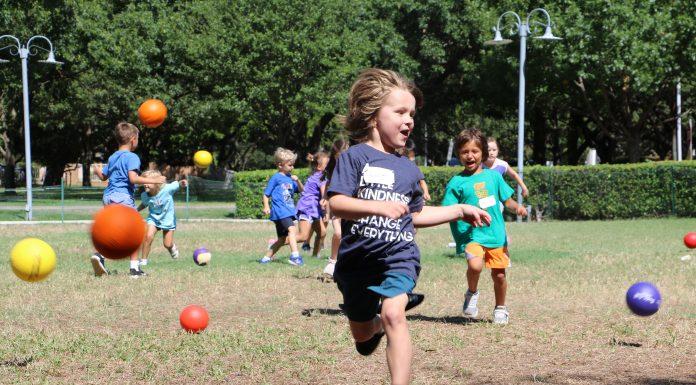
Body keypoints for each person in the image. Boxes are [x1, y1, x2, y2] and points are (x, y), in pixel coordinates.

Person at [328, 68, 491, 385]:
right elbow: (336, 204)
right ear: (374, 116)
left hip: (398, 256)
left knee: (393, 313)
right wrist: (378, 206)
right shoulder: (354, 157)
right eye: (400, 111)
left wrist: (457, 209)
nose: (409, 119)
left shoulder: (408, 168)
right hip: (357, 262)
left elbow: (413, 215)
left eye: (412, 113)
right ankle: (371, 325)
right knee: (363, 338)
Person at [442, 129, 528, 325]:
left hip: (496, 235)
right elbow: (448, 210)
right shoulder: (456, 182)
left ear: (484, 153)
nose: (470, 156)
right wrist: (464, 218)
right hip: (472, 235)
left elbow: (508, 201)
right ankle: (471, 293)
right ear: (458, 155)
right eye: (464, 152)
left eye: (475, 151)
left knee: (499, 275)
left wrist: (518, 209)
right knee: (475, 265)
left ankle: (500, 308)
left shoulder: (494, 177)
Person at [90, 122, 166, 278]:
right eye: (138, 138)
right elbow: (133, 178)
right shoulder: (132, 157)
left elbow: (104, 176)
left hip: (108, 197)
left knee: (113, 230)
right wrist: (155, 180)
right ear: (133, 139)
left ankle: (100, 256)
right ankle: (134, 269)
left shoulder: (113, 156)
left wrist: (98, 170)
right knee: (135, 232)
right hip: (122, 197)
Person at [259, 147, 305, 266]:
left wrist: (298, 180)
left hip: (288, 211)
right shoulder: (276, 178)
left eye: (293, 165)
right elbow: (266, 194)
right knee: (292, 230)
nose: (292, 167)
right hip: (280, 211)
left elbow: (301, 190)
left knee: (282, 240)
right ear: (280, 165)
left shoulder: (290, 178)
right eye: (290, 165)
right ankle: (295, 256)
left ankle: (265, 259)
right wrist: (266, 206)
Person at [137, 170, 187, 266]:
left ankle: (172, 248)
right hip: (153, 219)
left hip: (167, 219)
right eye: (144, 181)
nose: (145, 184)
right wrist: (137, 210)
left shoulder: (167, 189)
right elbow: (144, 203)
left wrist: (182, 183)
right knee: (148, 236)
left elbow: (178, 184)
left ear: (157, 183)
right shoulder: (145, 195)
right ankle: (143, 261)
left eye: (148, 182)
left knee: (167, 244)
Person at [294, 151, 330, 258]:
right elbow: (324, 197)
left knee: (322, 233)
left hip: (312, 209)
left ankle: (315, 256)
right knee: (303, 237)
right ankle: (277, 243)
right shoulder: (322, 178)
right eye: (327, 164)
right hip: (308, 208)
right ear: (319, 167)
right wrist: (326, 212)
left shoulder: (317, 175)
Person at [322, 138, 349, 279]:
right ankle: (332, 262)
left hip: (352, 205)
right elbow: (328, 185)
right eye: (339, 157)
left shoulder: (354, 166)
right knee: (338, 233)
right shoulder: (333, 170)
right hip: (337, 205)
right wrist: (325, 198)